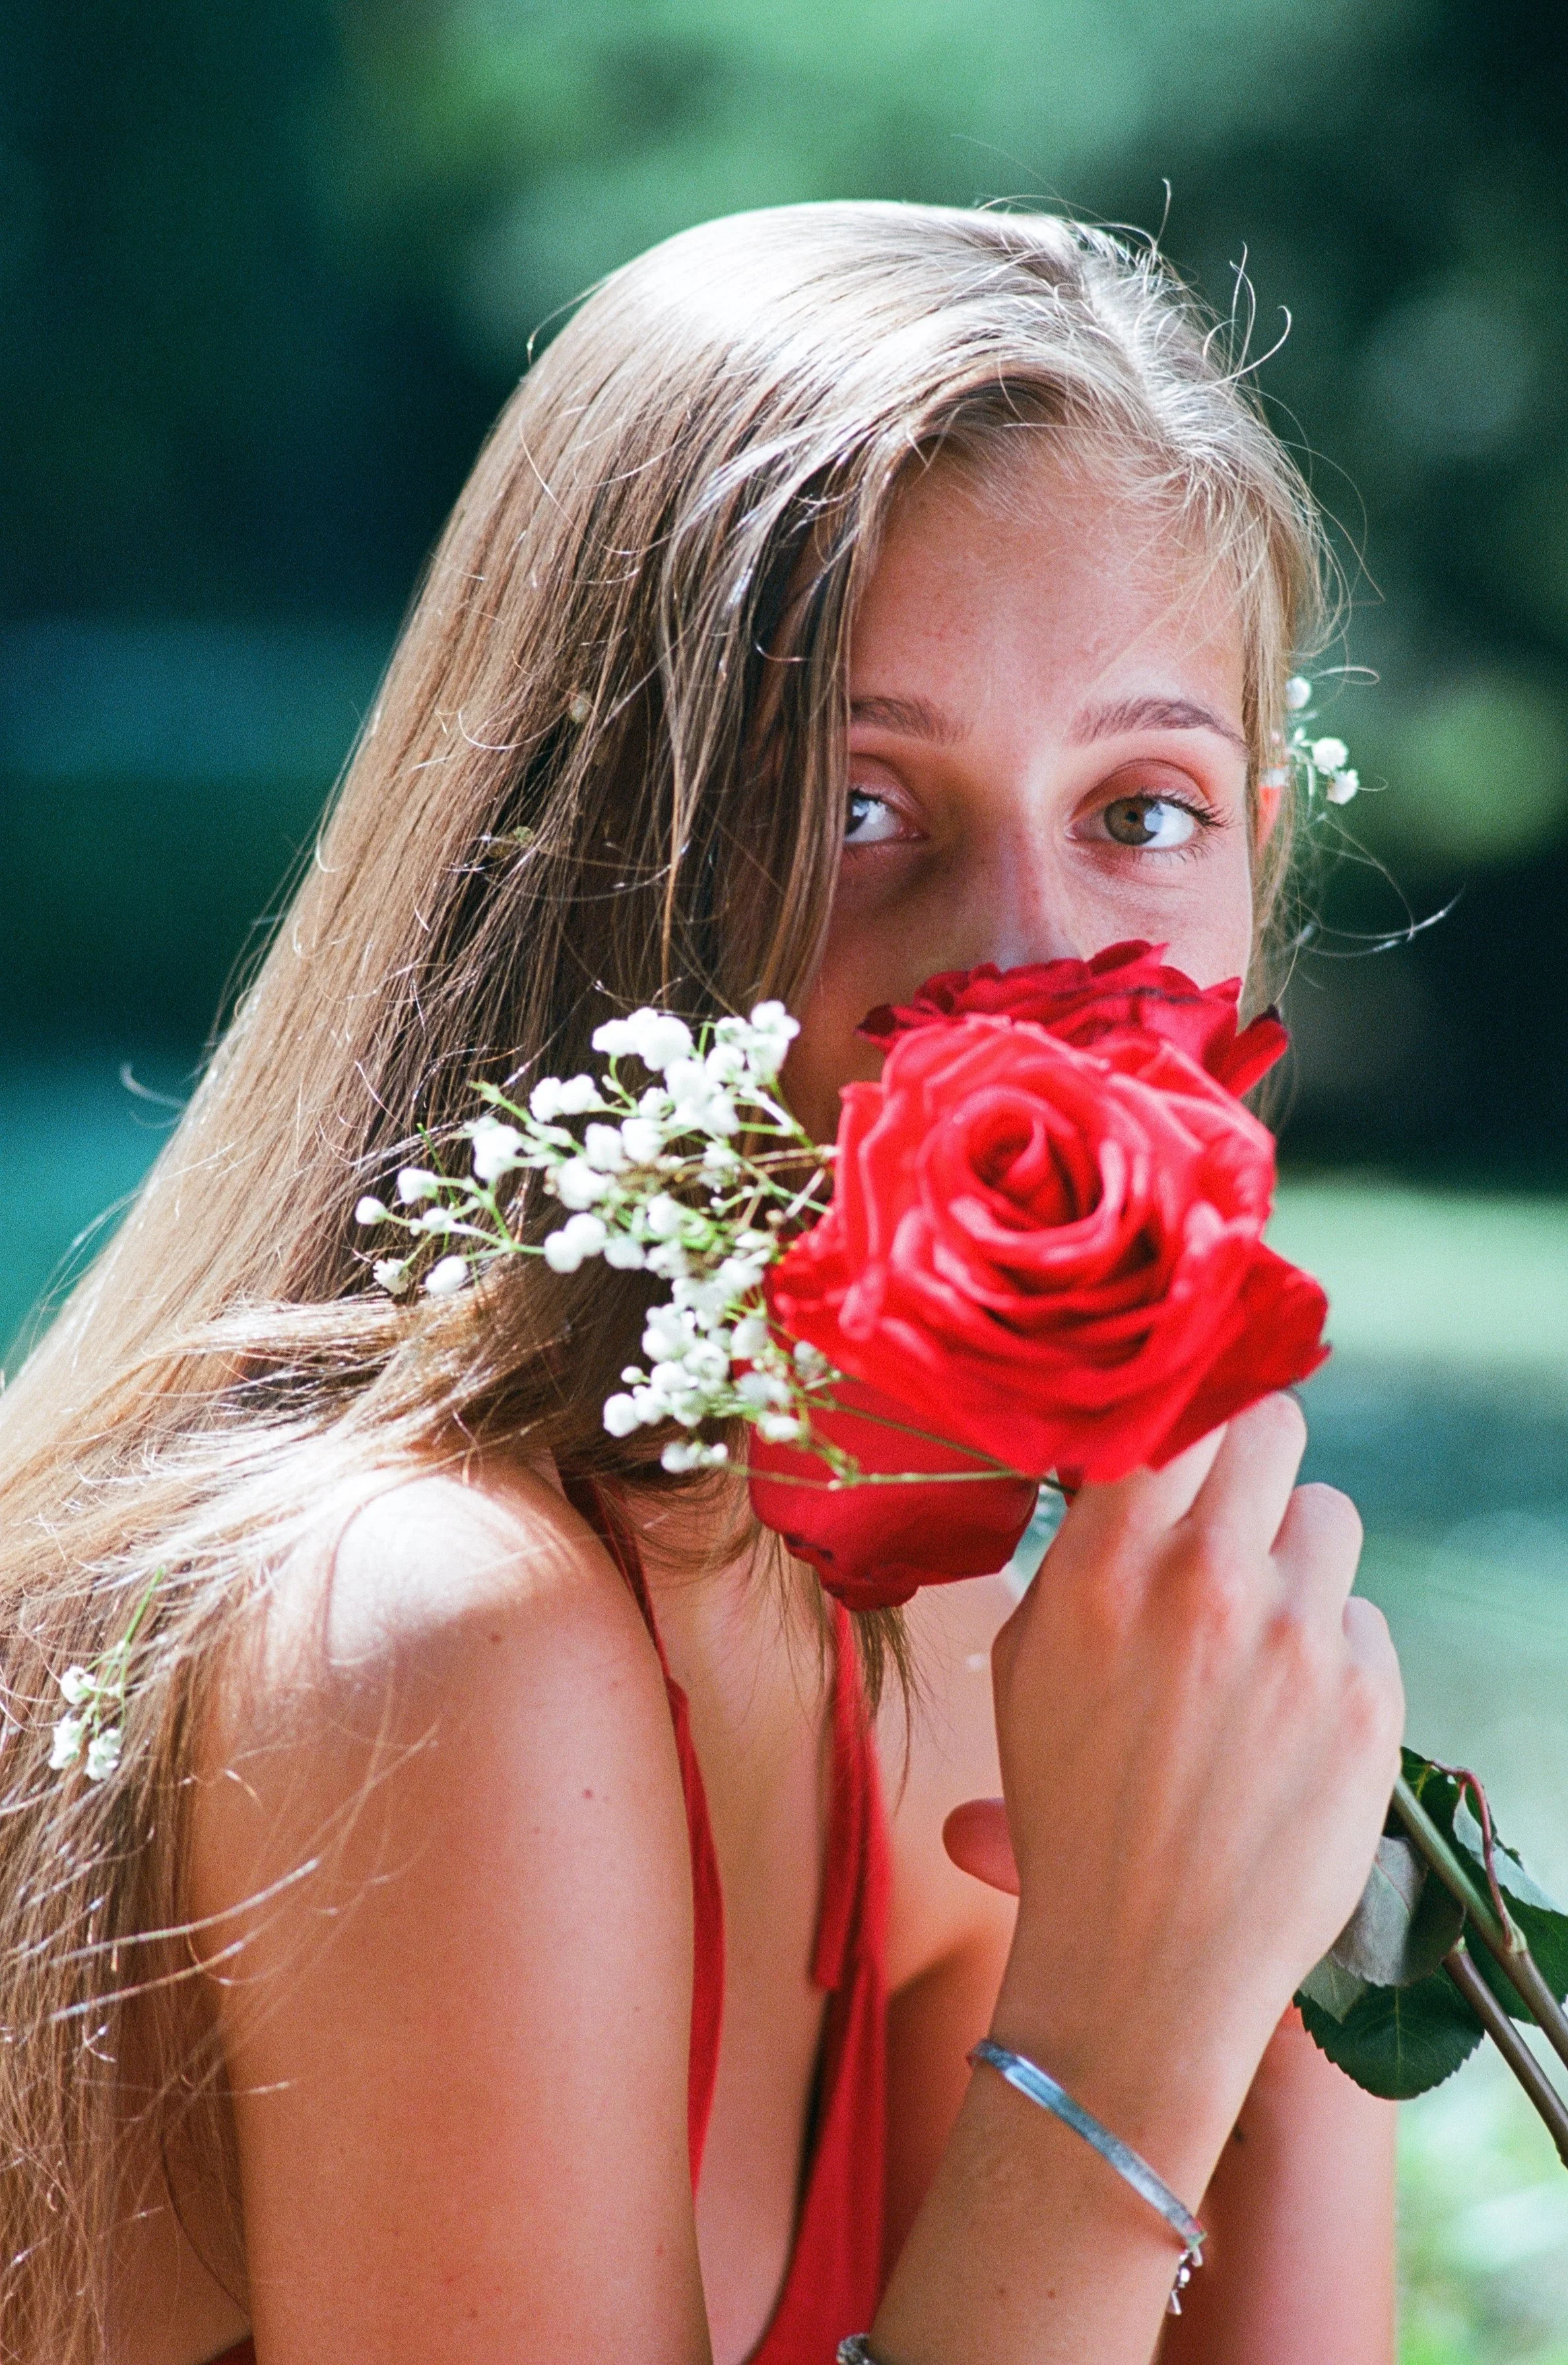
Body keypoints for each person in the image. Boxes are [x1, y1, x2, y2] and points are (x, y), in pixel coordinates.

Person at [0, 202, 1404, 2365]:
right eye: (853, 805)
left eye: (1142, 810)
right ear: (575, 862)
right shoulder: (435, 1626)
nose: (1019, 973)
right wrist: (1126, 2033)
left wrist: (1282, 1930)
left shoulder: (961, 1650)